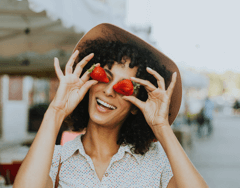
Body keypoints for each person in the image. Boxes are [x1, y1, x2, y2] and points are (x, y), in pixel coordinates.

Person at [13, 24, 208, 188]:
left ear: (135, 105)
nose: (108, 91)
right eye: (103, 76)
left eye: (125, 87)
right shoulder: (55, 159)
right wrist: (56, 112)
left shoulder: (155, 162)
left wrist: (161, 127)